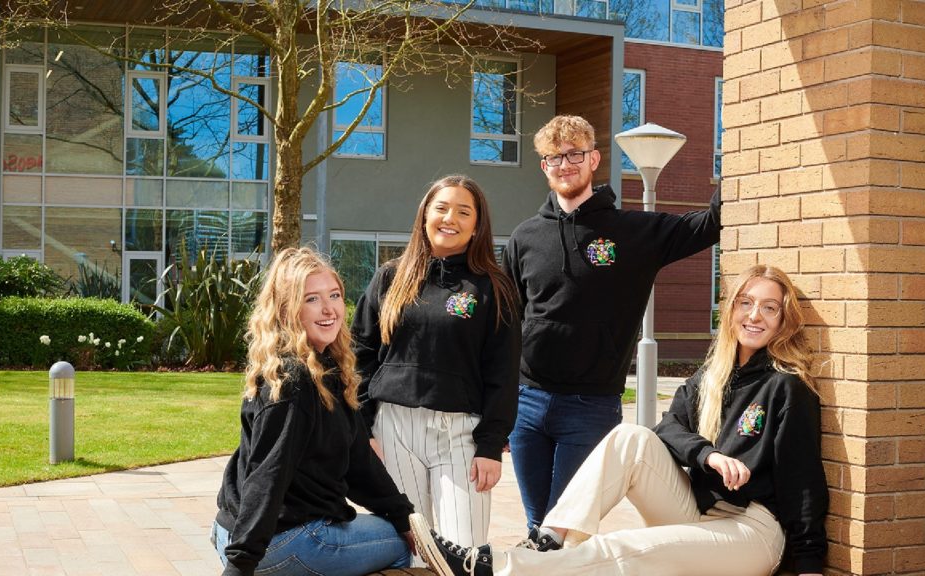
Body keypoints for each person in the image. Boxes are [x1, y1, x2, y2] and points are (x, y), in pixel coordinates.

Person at [411, 264, 829, 576]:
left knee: (628, 547)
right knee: (630, 436)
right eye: (747, 303)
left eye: (769, 308)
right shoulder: (714, 373)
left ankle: (492, 567)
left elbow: (803, 481)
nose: (755, 316)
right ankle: (549, 539)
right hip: (700, 512)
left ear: (782, 320)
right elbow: (668, 428)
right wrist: (709, 457)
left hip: (752, 532)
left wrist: (809, 566)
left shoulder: (785, 386)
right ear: (732, 309)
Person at [503, 114, 721, 530]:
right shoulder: (524, 237)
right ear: (543, 166)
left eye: (574, 154)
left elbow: (707, 225)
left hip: (590, 406)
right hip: (527, 402)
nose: (564, 164)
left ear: (593, 160)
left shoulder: (633, 232)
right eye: (554, 157)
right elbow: (508, 321)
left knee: (563, 526)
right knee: (537, 523)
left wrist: (741, 160)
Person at [212, 247, 415, 576]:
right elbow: (268, 475)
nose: (329, 309)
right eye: (311, 299)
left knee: (395, 530)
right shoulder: (295, 381)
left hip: (241, 531)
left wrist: (401, 514)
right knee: (398, 546)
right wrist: (240, 565)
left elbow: (360, 463)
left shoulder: (326, 369)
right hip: (275, 540)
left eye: (333, 295)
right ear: (286, 310)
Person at [351, 175, 521, 549]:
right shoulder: (390, 278)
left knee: (465, 551)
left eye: (464, 211)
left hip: (460, 434)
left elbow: (504, 374)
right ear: (425, 214)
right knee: (412, 547)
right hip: (393, 428)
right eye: (442, 208)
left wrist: (491, 446)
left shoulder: (494, 287)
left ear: (477, 226)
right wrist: (365, 429)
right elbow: (359, 355)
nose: (450, 218)